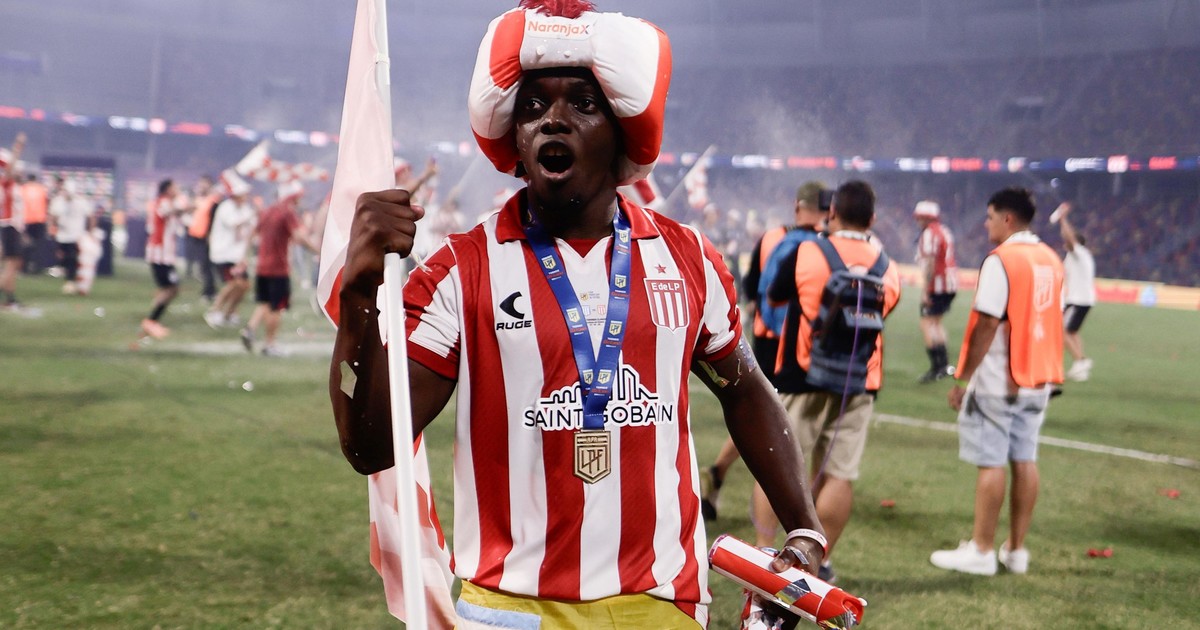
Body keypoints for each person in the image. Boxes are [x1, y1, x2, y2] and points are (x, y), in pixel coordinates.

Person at [329, 3, 826, 627]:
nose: (553, 120)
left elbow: (745, 389)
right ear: (515, 139)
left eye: (583, 104)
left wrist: (805, 529)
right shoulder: (461, 270)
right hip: (509, 609)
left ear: (621, 133)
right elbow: (371, 445)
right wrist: (358, 296)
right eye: (533, 107)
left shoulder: (689, 259)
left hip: (661, 606)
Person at [757, 180, 901, 582]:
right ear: (872, 219)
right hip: (860, 381)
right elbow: (884, 310)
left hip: (802, 373)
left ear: (832, 212)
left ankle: (764, 552)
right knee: (839, 474)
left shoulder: (808, 250)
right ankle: (816, 565)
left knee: (776, 467)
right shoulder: (887, 265)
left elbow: (775, 296)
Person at [932, 187, 1063, 576]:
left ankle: (982, 550)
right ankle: (1016, 551)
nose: (986, 223)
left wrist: (963, 378)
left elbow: (988, 322)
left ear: (1007, 218)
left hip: (1000, 377)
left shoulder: (1002, 260)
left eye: (990, 217)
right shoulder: (1051, 259)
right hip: (1038, 376)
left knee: (991, 461)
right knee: (1025, 458)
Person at [700, 181, 828, 521]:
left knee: (759, 409)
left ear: (798, 206)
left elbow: (752, 284)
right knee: (783, 420)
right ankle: (795, 503)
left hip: (764, 339)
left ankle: (717, 473)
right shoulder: (824, 244)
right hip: (800, 345)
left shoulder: (772, 237)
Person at [240, 180, 317, 357]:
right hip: (278, 268)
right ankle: (270, 344)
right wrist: (318, 250)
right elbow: (299, 237)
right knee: (277, 308)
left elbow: (252, 233)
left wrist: (244, 257)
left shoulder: (267, 211)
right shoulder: (288, 213)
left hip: (262, 266)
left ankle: (250, 329)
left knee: (266, 303)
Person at [912, 200, 959, 383]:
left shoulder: (929, 234)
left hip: (938, 284)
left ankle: (937, 367)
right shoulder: (944, 230)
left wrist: (925, 289)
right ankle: (944, 365)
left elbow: (930, 263)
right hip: (950, 283)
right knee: (936, 324)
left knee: (927, 324)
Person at [205, 171, 257, 328]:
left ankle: (229, 312)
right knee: (234, 283)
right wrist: (253, 214)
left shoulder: (245, 209)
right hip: (223, 254)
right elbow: (234, 223)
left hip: (237, 255)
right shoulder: (225, 208)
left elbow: (252, 227)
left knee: (244, 285)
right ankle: (214, 311)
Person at [141, 179, 187, 340]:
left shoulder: (163, 202)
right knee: (171, 288)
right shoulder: (163, 202)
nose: (178, 189)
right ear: (168, 189)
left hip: (164, 254)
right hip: (160, 254)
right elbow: (172, 211)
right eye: (175, 187)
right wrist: (187, 206)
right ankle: (151, 321)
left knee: (168, 288)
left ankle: (153, 320)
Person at [1054, 202, 1095, 382]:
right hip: (1083, 299)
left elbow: (1069, 239)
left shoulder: (1078, 253)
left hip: (1078, 300)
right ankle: (1082, 362)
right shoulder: (1081, 256)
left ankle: (1080, 362)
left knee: (1061, 331)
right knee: (1072, 332)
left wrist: (1063, 219)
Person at [49, 180, 95, 295]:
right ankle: (68, 276)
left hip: (76, 236)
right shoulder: (58, 201)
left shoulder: (81, 202)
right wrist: (52, 228)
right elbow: (53, 216)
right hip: (62, 235)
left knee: (73, 258)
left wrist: (90, 232)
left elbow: (91, 216)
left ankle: (70, 280)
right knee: (63, 258)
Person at [0, 132, 27, 309]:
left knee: (13, 263)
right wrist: (18, 147)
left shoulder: (15, 186)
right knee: (10, 263)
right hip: (9, 225)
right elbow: (9, 170)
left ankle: (10, 296)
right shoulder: (7, 182)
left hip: (14, 226)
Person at [185, 175, 222, 303]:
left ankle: (209, 291)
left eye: (204, 183)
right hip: (196, 235)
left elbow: (214, 219)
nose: (201, 186)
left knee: (206, 265)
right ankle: (210, 290)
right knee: (203, 265)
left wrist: (210, 235)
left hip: (206, 237)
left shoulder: (214, 200)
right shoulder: (199, 199)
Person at [21, 173, 49, 275]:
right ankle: (37, 268)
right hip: (40, 220)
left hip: (27, 220)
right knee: (38, 246)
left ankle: (25, 268)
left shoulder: (23, 189)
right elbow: (47, 203)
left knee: (26, 245)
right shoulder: (42, 189)